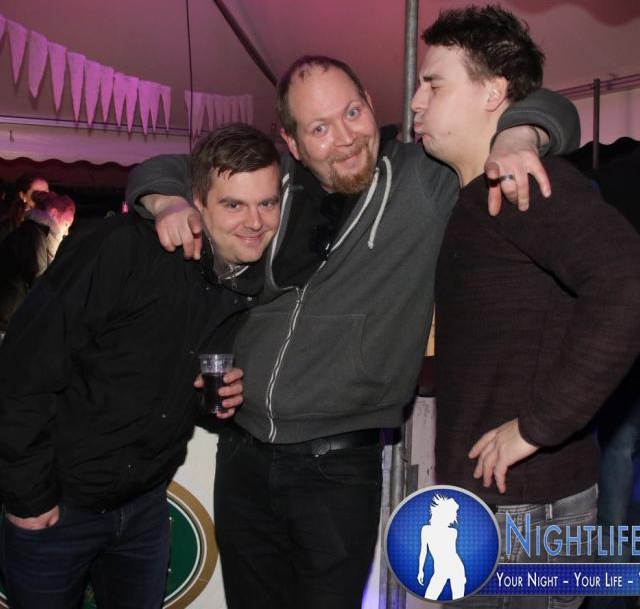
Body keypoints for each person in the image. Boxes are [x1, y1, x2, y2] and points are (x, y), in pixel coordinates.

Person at [126, 56, 579, 608]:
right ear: (292, 142)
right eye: (319, 128)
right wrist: (168, 201)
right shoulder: (275, 183)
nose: (344, 138)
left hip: (335, 467)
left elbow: (555, 107)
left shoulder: (423, 178)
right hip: (242, 457)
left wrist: (517, 136)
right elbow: (162, 167)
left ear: (369, 101)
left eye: (352, 112)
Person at [411, 5, 640, 608]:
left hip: (527, 515)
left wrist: (540, 426)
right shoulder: (475, 192)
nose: (415, 101)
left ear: (493, 93)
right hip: (500, 507)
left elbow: (628, 284)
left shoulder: (524, 187)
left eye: (434, 84)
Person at [0, 123, 280, 609]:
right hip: (58, 508)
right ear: (197, 201)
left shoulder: (238, 283)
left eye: (268, 203)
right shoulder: (119, 248)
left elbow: (161, 382)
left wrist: (207, 398)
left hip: (144, 509)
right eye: (234, 205)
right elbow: (25, 367)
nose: (255, 222)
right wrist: (29, 497)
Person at [0, 190, 75, 331]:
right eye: (66, 224)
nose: (66, 232)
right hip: (8, 320)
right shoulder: (34, 235)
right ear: (53, 213)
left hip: (10, 318)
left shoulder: (33, 232)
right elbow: (38, 281)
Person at [0, 172, 50, 244]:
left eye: (46, 193)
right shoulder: (8, 226)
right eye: (37, 194)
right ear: (23, 196)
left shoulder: (51, 220)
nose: (43, 198)